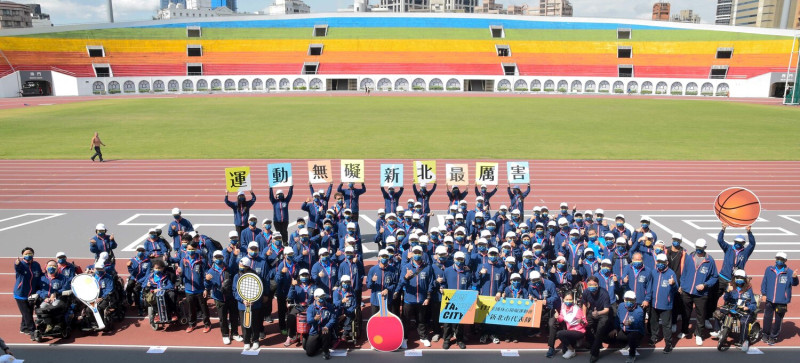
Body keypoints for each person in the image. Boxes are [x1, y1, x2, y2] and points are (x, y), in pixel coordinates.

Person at [711, 224, 756, 322]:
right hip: (723, 278)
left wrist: (749, 232)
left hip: (735, 280)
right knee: (714, 296)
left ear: (743, 243)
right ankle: (711, 314)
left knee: (731, 299)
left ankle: (727, 319)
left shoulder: (745, 252)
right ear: (734, 242)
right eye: (736, 242)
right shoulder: (728, 248)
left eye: (740, 242)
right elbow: (720, 240)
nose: (738, 244)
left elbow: (752, 244)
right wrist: (723, 229)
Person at [678, 239, 717, 346]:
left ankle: (699, 334)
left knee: (701, 315)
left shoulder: (710, 261)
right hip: (687, 291)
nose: (698, 250)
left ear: (705, 248)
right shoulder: (689, 257)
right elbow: (684, 272)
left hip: (701, 294)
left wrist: (705, 285)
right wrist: (682, 285)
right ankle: (684, 331)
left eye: (701, 248)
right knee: (685, 313)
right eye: (697, 248)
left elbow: (714, 277)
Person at [396, 245, 435, 348]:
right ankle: (404, 338)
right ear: (411, 254)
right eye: (415, 252)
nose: (417, 255)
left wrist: (428, 297)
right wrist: (406, 277)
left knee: (421, 320)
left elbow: (431, 283)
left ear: (422, 254)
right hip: (409, 299)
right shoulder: (406, 267)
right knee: (406, 320)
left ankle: (423, 337)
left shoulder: (427, 267)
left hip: (422, 300)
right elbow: (401, 283)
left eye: (419, 253)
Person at [712, 269, 757, 351]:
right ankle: (718, 331)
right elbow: (726, 299)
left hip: (744, 310)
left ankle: (743, 340)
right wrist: (727, 291)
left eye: (741, 277)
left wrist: (748, 307)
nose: (739, 279)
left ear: (744, 279)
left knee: (744, 322)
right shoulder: (731, 286)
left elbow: (754, 304)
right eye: (737, 277)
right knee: (717, 313)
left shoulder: (748, 289)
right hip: (732, 308)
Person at [761, 252, 798, 345]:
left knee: (778, 320)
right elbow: (764, 282)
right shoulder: (769, 269)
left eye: (781, 259)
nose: (779, 261)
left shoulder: (789, 272)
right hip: (769, 299)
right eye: (778, 258)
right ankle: (765, 334)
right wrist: (764, 294)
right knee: (767, 318)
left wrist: (794, 277)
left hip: (781, 301)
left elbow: (795, 284)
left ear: (785, 261)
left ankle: (773, 336)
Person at [205, 250, 241, 345]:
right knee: (223, 318)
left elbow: (234, 266)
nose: (218, 259)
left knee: (234, 316)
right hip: (219, 298)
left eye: (220, 257)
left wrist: (234, 255)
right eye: (216, 257)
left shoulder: (228, 268)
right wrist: (207, 281)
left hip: (231, 297)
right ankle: (225, 335)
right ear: (213, 259)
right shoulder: (210, 271)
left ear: (223, 258)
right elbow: (207, 286)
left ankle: (234, 333)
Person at [441, 251, 473, 349]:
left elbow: (470, 285)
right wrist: (442, 287)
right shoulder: (447, 270)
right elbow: (443, 283)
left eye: (461, 259)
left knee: (460, 322)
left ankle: (459, 339)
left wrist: (470, 292)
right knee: (448, 322)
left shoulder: (467, 272)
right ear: (454, 259)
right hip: (449, 300)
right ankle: (447, 339)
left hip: (462, 301)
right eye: (457, 259)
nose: (459, 261)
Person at [179, 242, 211, 333]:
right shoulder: (183, 260)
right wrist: (180, 273)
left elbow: (206, 275)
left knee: (203, 308)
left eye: (192, 249)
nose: (190, 251)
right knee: (190, 309)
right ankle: (192, 324)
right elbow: (181, 275)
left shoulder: (202, 261)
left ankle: (207, 324)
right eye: (189, 249)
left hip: (200, 289)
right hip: (189, 290)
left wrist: (206, 288)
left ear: (196, 249)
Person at [649, 254, 677, 353]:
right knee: (654, 323)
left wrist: (673, 284)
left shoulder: (671, 273)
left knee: (666, 325)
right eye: (658, 262)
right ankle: (654, 338)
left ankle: (668, 344)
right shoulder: (653, 272)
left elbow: (676, 289)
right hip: (654, 303)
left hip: (666, 305)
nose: (660, 264)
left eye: (662, 262)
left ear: (667, 263)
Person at [233, 257, 262, 350]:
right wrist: (242, 300)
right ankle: (246, 341)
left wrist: (254, 300)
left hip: (255, 305)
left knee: (254, 323)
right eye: (240, 264)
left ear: (248, 266)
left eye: (243, 265)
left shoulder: (255, 275)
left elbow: (259, 290)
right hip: (242, 306)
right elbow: (235, 291)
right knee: (245, 324)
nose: (240, 266)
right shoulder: (236, 276)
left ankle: (255, 340)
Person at [34, 260, 68, 334]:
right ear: (46, 267)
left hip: (58, 298)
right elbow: (37, 289)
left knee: (55, 306)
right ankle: (49, 324)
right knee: (42, 306)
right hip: (46, 299)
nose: (51, 267)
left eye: (54, 266)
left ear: (57, 268)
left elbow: (65, 288)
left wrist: (56, 293)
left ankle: (58, 324)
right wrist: (45, 297)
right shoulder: (41, 278)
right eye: (50, 266)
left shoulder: (62, 278)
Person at [581, 276, 610, 363]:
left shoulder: (604, 293)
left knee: (600, 331)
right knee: (587, 326)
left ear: (598, 285)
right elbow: (584, 305)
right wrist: (583, 317)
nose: (592, 286)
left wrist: (598, 313)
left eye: (594, 284)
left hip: (602, 313)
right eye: (590, 284)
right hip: (591, 312)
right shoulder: (586, 292)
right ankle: (594, 343)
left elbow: (607, 310)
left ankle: (595, 353)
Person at [14, 247, 42, 335]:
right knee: (27, 313)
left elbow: (40, 275)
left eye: (30, 253)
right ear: (22, 255)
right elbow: (17, 268)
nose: (28, 255)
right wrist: (17, 264)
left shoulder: (36, 265)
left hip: (32, 294)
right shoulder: (21, 265)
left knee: (28, 312)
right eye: (26, 254)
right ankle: (32, 330)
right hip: (21, 294)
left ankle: (23, 328)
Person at [286, 268, 317, 346]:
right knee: (290, 317)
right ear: (299, 276)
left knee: (316, 317)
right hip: (298, 306)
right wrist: (292, 286)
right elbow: (290, 296)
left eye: (306, 275)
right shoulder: (296, 286)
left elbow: (317, 297)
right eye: (302, 275)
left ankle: (314, 334)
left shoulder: (313, 286)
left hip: (310, 307)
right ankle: (290, 336)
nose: (304, 277)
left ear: (309, 276)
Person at [552, 292, 586, 359]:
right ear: (563, 299)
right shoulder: (563, 307)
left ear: (573, 300)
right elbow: (561, 319)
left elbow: (585, 322)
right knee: (564, 351)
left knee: (559, 334)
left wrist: (582, 321)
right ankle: (574, 344)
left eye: (570, 299)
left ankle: (572, 350)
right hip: (570, 331)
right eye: (566, 299)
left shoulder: (577, 309)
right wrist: (557, 317)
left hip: (579, 331)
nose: (568, 301)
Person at [305, 288, 336, 359]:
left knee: (325, 332)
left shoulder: (329, 306)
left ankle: (326, 351)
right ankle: (318, 343)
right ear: (315, 297)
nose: (323, 298)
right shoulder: (311, 308)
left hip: (324, 328)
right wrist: (314, 319)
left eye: (323, 296)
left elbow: (333, 318)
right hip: (315, 330)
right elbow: (309, 321)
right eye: (320, 297)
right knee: (309, 352)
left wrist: (327, 326)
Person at [367, 249, 398, 316]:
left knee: (387, 321)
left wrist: (388, 289)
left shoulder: (392, 270)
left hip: (387, 300)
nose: (384, 258)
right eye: (382, 256)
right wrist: (372, 280)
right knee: (375, 321)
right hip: (375, 301)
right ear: (378, 257)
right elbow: (368, 286)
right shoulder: (373, 269)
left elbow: (395, 284)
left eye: (386, 256)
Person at [617, 291, 645, 363]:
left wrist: (631, 323)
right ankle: (627, 343)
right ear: (624, 299)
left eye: (631, 300)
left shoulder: (639, 311)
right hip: (624, 329)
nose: (629, 301)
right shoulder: (620, 306)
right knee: (616, 337)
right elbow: (617, 317)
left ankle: (632, 355)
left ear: (635, 300)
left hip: (635, 331)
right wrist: (615, 328)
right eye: (627, 299)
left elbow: (637, 324)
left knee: (632, 335)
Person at [126, 245, 151, 316]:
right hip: (134, 278)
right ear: (136, 251)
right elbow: (132, 272)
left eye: (142, 251)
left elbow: (147, 274)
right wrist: (129, 267)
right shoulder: (133, 260)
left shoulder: (148, 261)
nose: (140, 252)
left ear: (144, 252)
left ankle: (139, 307)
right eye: (139, 251)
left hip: (142, 279)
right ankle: (129, 300)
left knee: (137, 290)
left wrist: (142, 282)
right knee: (129, 286)